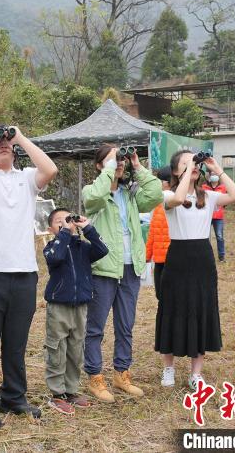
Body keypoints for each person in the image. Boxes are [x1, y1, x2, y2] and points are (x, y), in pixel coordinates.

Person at [0, 125, 58, 429]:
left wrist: (18, 137)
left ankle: (14, 396)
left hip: (24, 273)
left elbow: (50, 168)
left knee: (17, 343)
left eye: (7, 142)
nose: (3, 144)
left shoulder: (26, 178)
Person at [81, 144, 162, 403]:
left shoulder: (130, 193)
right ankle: (95, 377)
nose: (119, 163)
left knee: (125, 325)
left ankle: (121, 373)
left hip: (130, 268)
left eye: (121, 159)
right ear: (99, 165)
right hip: (104, 269)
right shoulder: (94, 192)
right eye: (112, 160)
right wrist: (108, 170)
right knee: (95, 328)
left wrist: (137, 165)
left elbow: (156, 193)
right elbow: (93, 199)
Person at [156, 151, 235, 389]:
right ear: (175, 172)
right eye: (184, 163)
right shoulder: (168, 195)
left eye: (194, 163)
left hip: (203, 259)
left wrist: (216, 169)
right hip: (178, 259)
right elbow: (178, 197)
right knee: (172, 309)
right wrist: (188, 170)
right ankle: (168, 368)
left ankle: (196, 373)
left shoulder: (210, 197)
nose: (192, 166)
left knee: (201, 309)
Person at [43, 209, 108, 415]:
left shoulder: (83, 247)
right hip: (59, 305)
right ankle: (56, 393)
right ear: (51, 229)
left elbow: (103, 249)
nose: (65, 224)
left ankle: (71, 390)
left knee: (75, 348)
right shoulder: (52, 247)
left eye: (68, 219)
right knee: (57, 347)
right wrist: (64, 233)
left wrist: (86, 227)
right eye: (58, 222)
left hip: (80, 305)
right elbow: (57, 258)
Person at [145, 167, 172, 303]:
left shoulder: (160, 204)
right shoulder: (160, 203)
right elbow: (153, 232)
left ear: (166, 183)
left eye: (158, 181)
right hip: (168, 258)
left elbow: (152, 233)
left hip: (164, 260)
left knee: (163, 296)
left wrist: (147, 256)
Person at [203, 173, 228, 262]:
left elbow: (226, 200)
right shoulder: (204, 187)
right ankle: (206, 256)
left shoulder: (223, 188)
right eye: (212, 174)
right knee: (205, 237)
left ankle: (221, 257)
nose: (214, 176)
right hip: (207, 216)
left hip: (218, 216)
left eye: (215, 174)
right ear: (209, 177)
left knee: (219, 236)